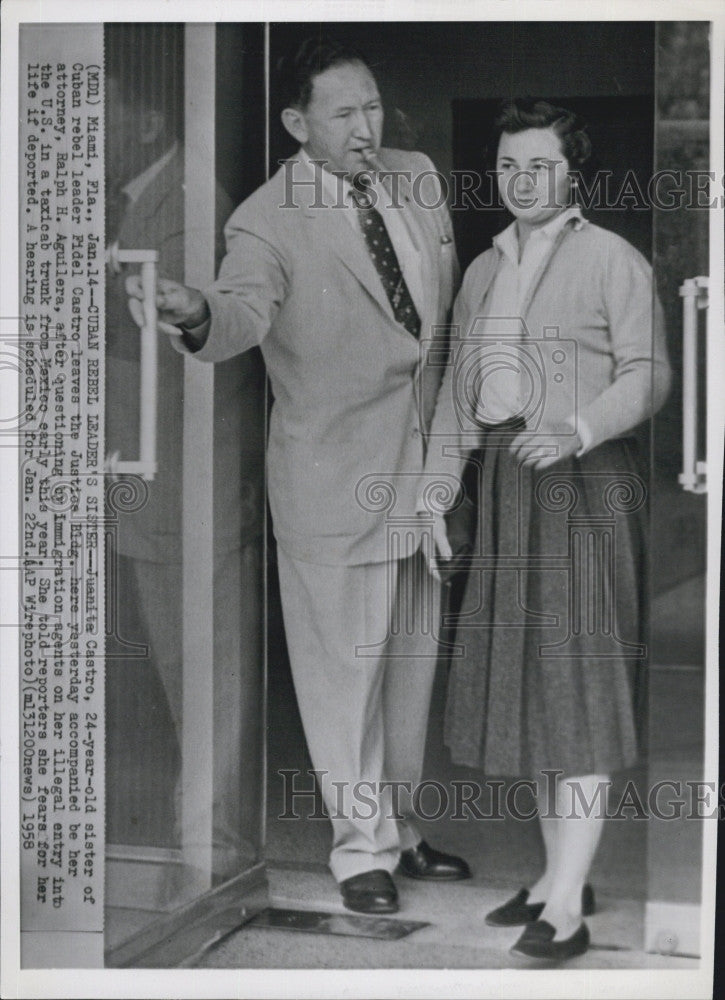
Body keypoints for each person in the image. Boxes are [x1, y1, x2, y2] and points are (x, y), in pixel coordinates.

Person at [127, 36, 470, 914]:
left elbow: (436, 311)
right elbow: (243, 306)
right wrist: (199, 312)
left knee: (407, 666)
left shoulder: (418, 174)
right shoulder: (264, 220)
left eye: (373, 107)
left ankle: (401, 826)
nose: (367, 127)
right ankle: (360, 852)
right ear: (296, 123)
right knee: (340, 674)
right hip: (330, 477)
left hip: (424, 468)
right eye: (344, 114)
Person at [422, 99, 671, 960]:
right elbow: (458, 389)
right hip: (503, 486)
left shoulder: (614, 260)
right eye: (507, 166)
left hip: (583, 485)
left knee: (580, 690)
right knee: (529, 691)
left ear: (571, 173)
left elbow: (649, 376)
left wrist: (577, 425)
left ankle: (564, 903)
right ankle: (555, 872)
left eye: (537, 165)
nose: (519, 181)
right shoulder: (484, 270)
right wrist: (434, 490)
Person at [105, 24, 266, 878]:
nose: (82, 132)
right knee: (184, 678)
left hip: (185, 490)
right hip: (156, 489)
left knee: (206, 681)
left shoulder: (186, 205)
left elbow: (176, 362)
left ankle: (217, 856)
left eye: (101, 112)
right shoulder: (144, 197)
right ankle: (201, 847)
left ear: (144, 119)